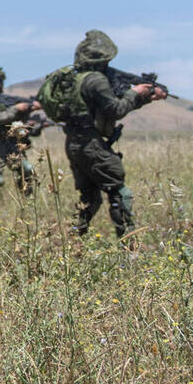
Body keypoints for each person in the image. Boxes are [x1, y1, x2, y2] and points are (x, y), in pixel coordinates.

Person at [62, 30, 166, 238]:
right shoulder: (96, 81)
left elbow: (107, 107)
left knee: (90, 197)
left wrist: (141, 97)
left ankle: (72, 240)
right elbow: (116, 110)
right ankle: (129, 245)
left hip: (74, 142)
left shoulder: (75, 79)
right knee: (120, 192)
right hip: (91, 144)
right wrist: (136, 94)